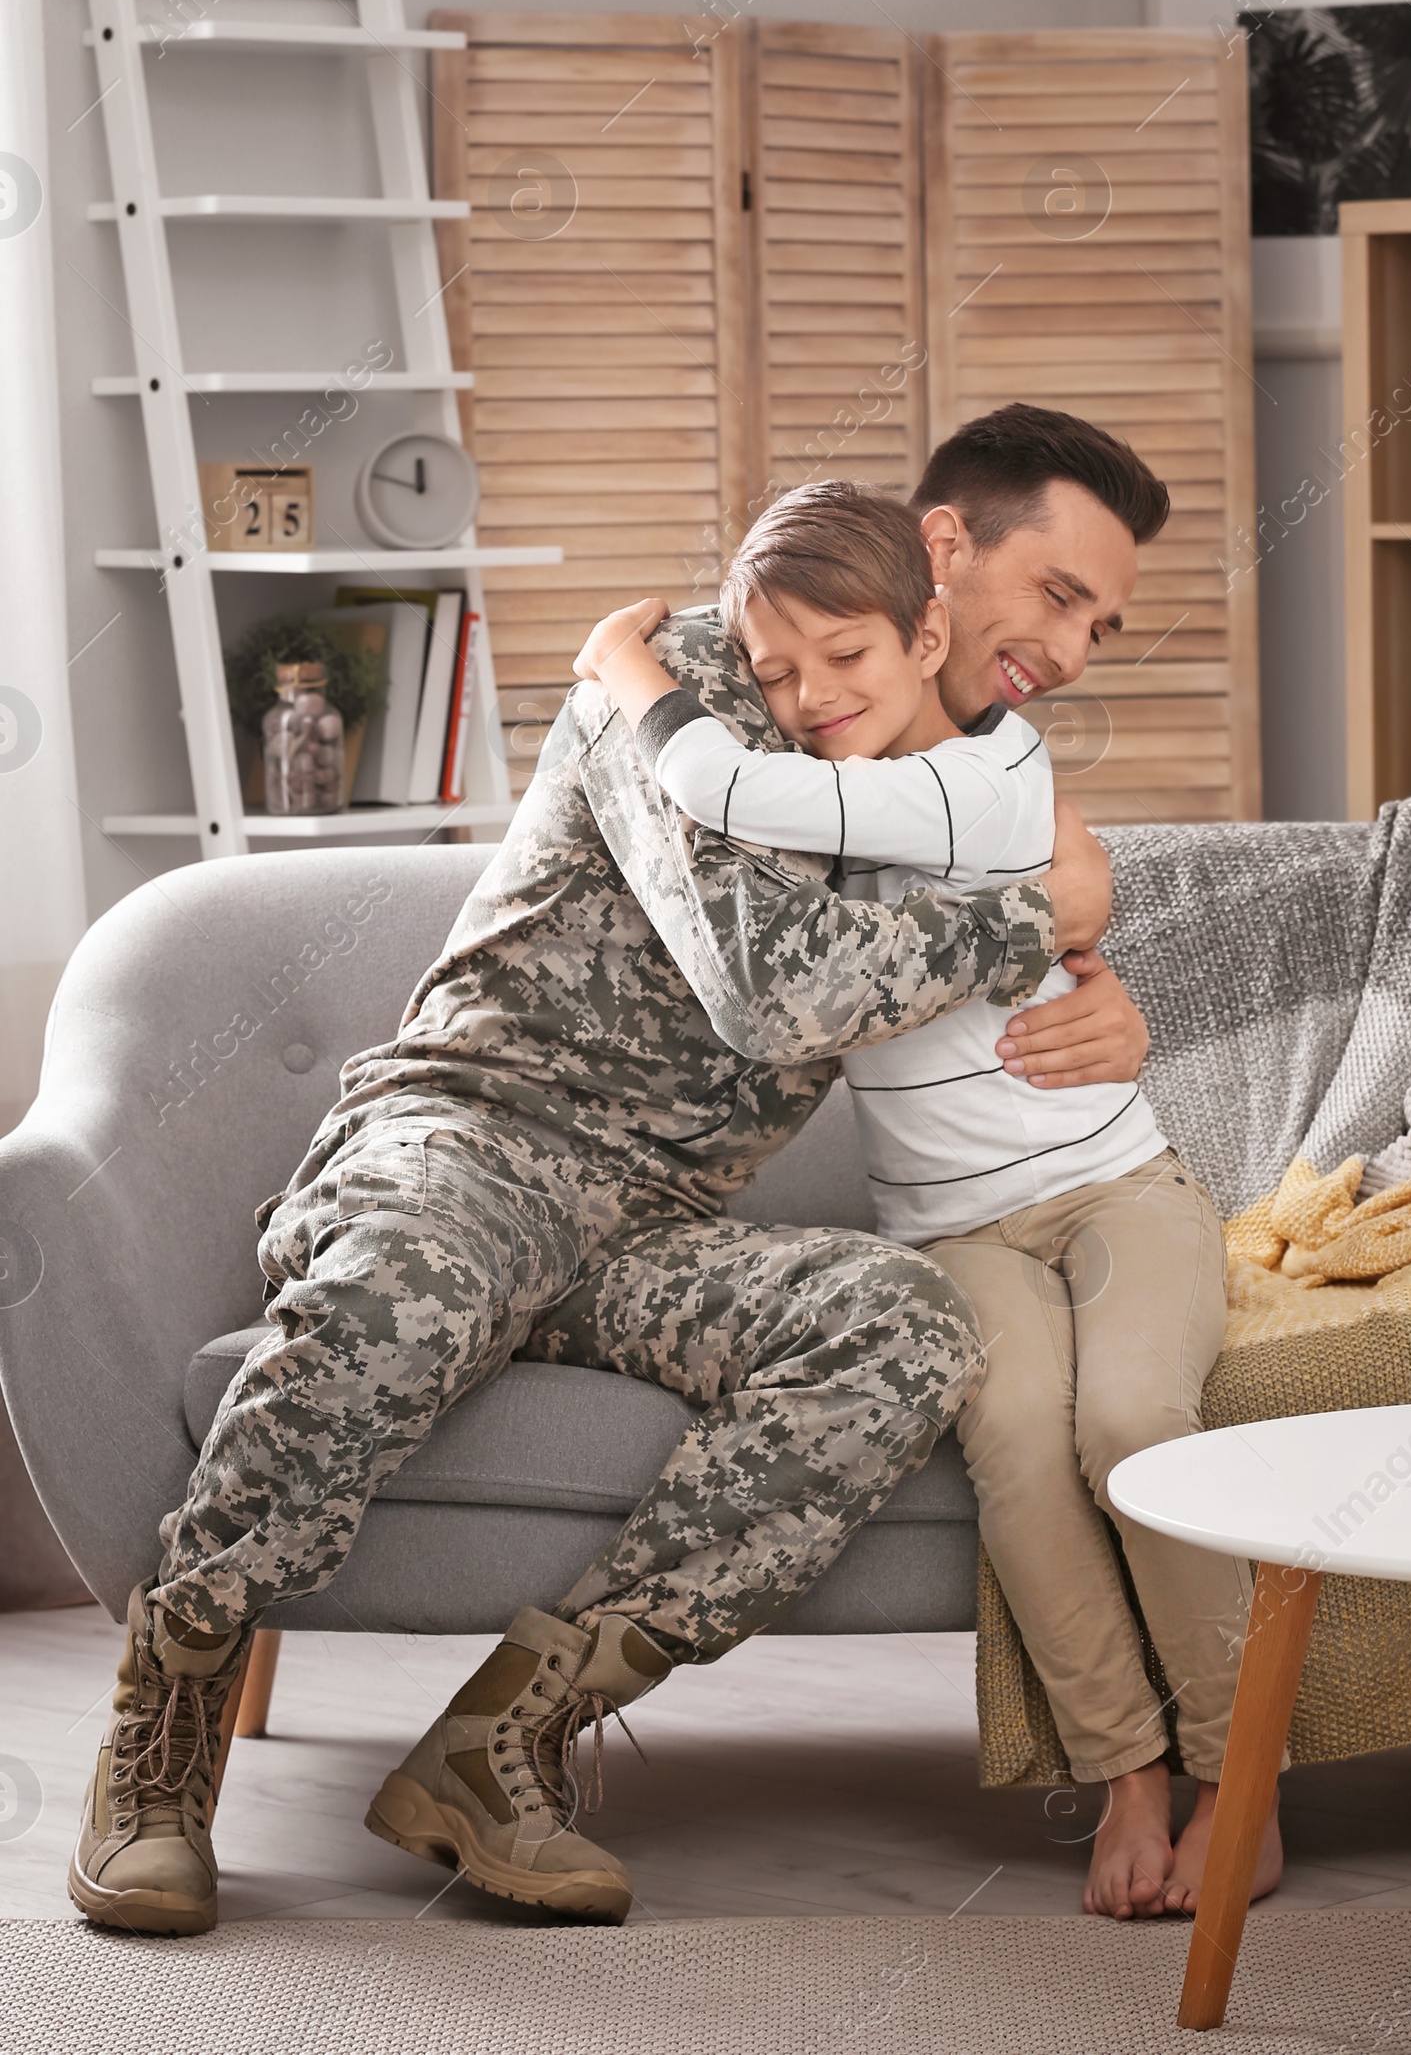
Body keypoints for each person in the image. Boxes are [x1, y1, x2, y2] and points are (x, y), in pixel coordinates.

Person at [69, 402, 1155, 1939]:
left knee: (905, 1322)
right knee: (409, 1285)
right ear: (940, 555)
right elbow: (766, 985)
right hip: (475, 1139)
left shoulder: (963, 774)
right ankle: (164, 1718)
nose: (1071, 648)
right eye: (1056, 596)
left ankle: (500, 1738)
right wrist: (1031, 920)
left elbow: (1064, 942)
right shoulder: (691, 691)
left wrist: (1105, 981)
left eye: (1103, 622)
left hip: (651, 1223)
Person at [581, 476, 1266, 1923]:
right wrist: (735, 661)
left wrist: (619, 664)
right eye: (778, 673)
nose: (814, 694)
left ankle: (1243, 1775)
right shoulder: (849, 762)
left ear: (922, 625)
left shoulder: (972, 776)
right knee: (1017, 1439)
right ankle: (1126, 1770)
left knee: (1131, 1423)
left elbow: (716, 781)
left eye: (848, 659)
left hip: (1111, 1185)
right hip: (952, 1228)